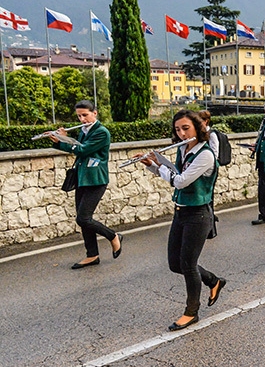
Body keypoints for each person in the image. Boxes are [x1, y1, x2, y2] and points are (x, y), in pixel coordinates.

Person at [139, 110, 226, 331]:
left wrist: (159, 167)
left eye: (186, 128)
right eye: (177, 129)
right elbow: (173, 173)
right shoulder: (183, 149)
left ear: (198, 127)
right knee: (174, 264)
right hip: (180, 212)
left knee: (187, 265)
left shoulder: (205, 155)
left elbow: (180, 181)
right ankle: (213, 280)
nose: (181, 133)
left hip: (198, 215)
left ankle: (191, 312)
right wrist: (150, 164)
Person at [50, 100, 122, 269]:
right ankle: (92, 255)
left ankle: (113, 236)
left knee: (83, 218)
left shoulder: (102, 132)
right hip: (83, 179)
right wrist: (60, 140)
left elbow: (82, 150)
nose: (82, 119)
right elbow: (78, 148)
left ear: (94, 113)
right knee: (83, 220)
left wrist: (63, 140)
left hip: (96, 180)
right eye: (79, 116)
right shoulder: (84, 130)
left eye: (85, 115)